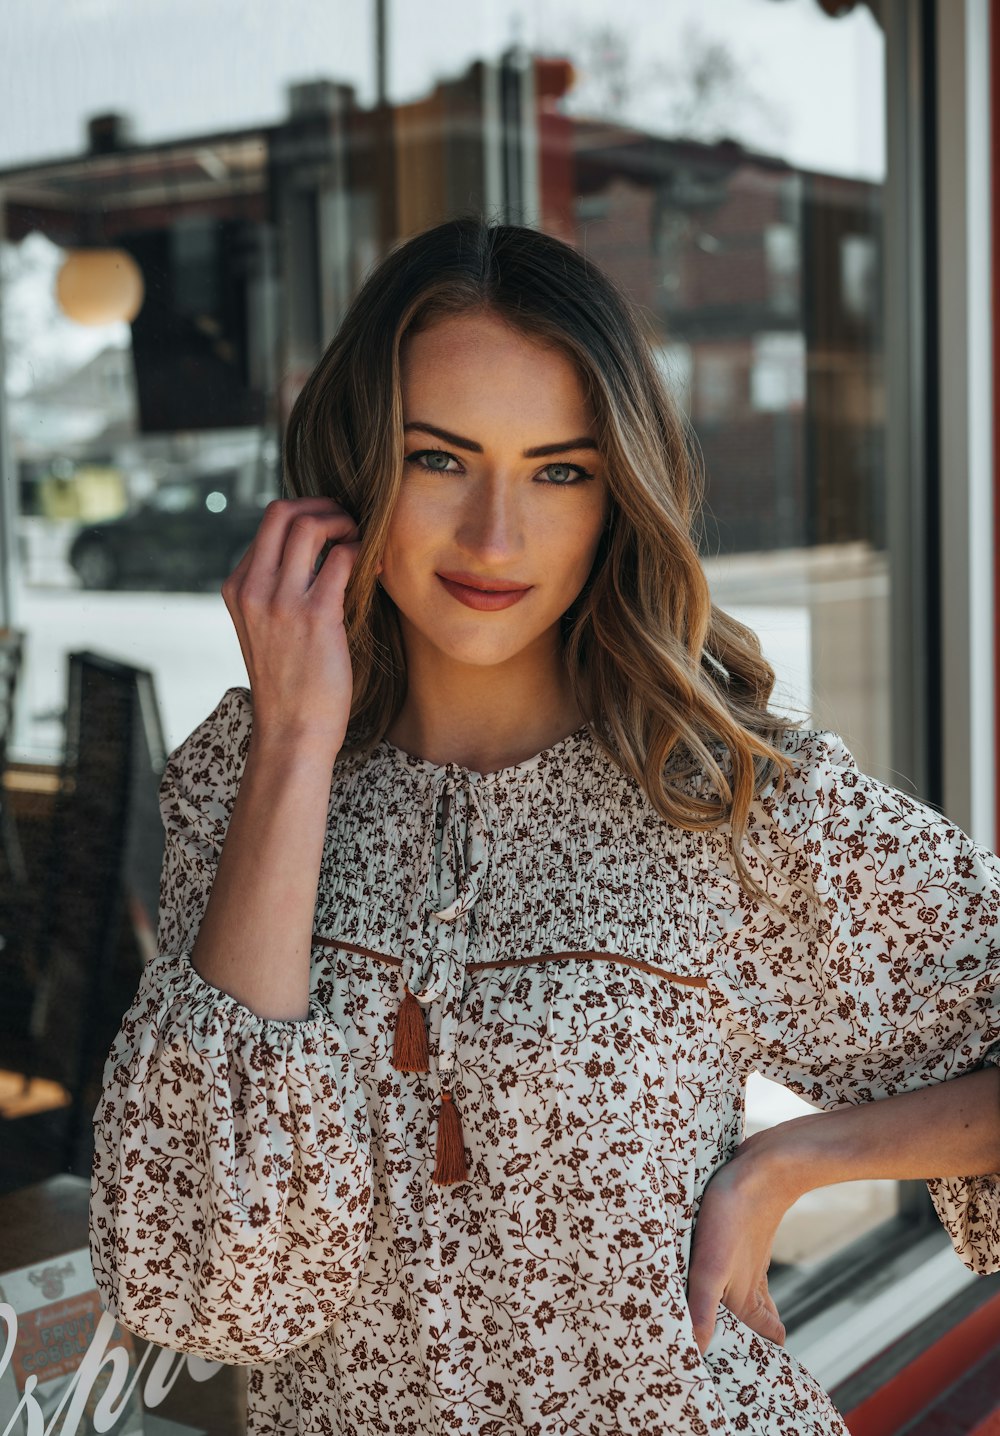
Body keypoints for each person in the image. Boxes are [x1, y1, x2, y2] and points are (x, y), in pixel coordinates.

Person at [89, 216, 1000, 1436]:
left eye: (560, 469)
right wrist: (296, 745)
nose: (496, 537)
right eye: (440, 458)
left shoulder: (723, 797)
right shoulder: (239, 780)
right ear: (358, 465)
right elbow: (212, 1289)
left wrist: (793, 1158)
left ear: (615, 493)